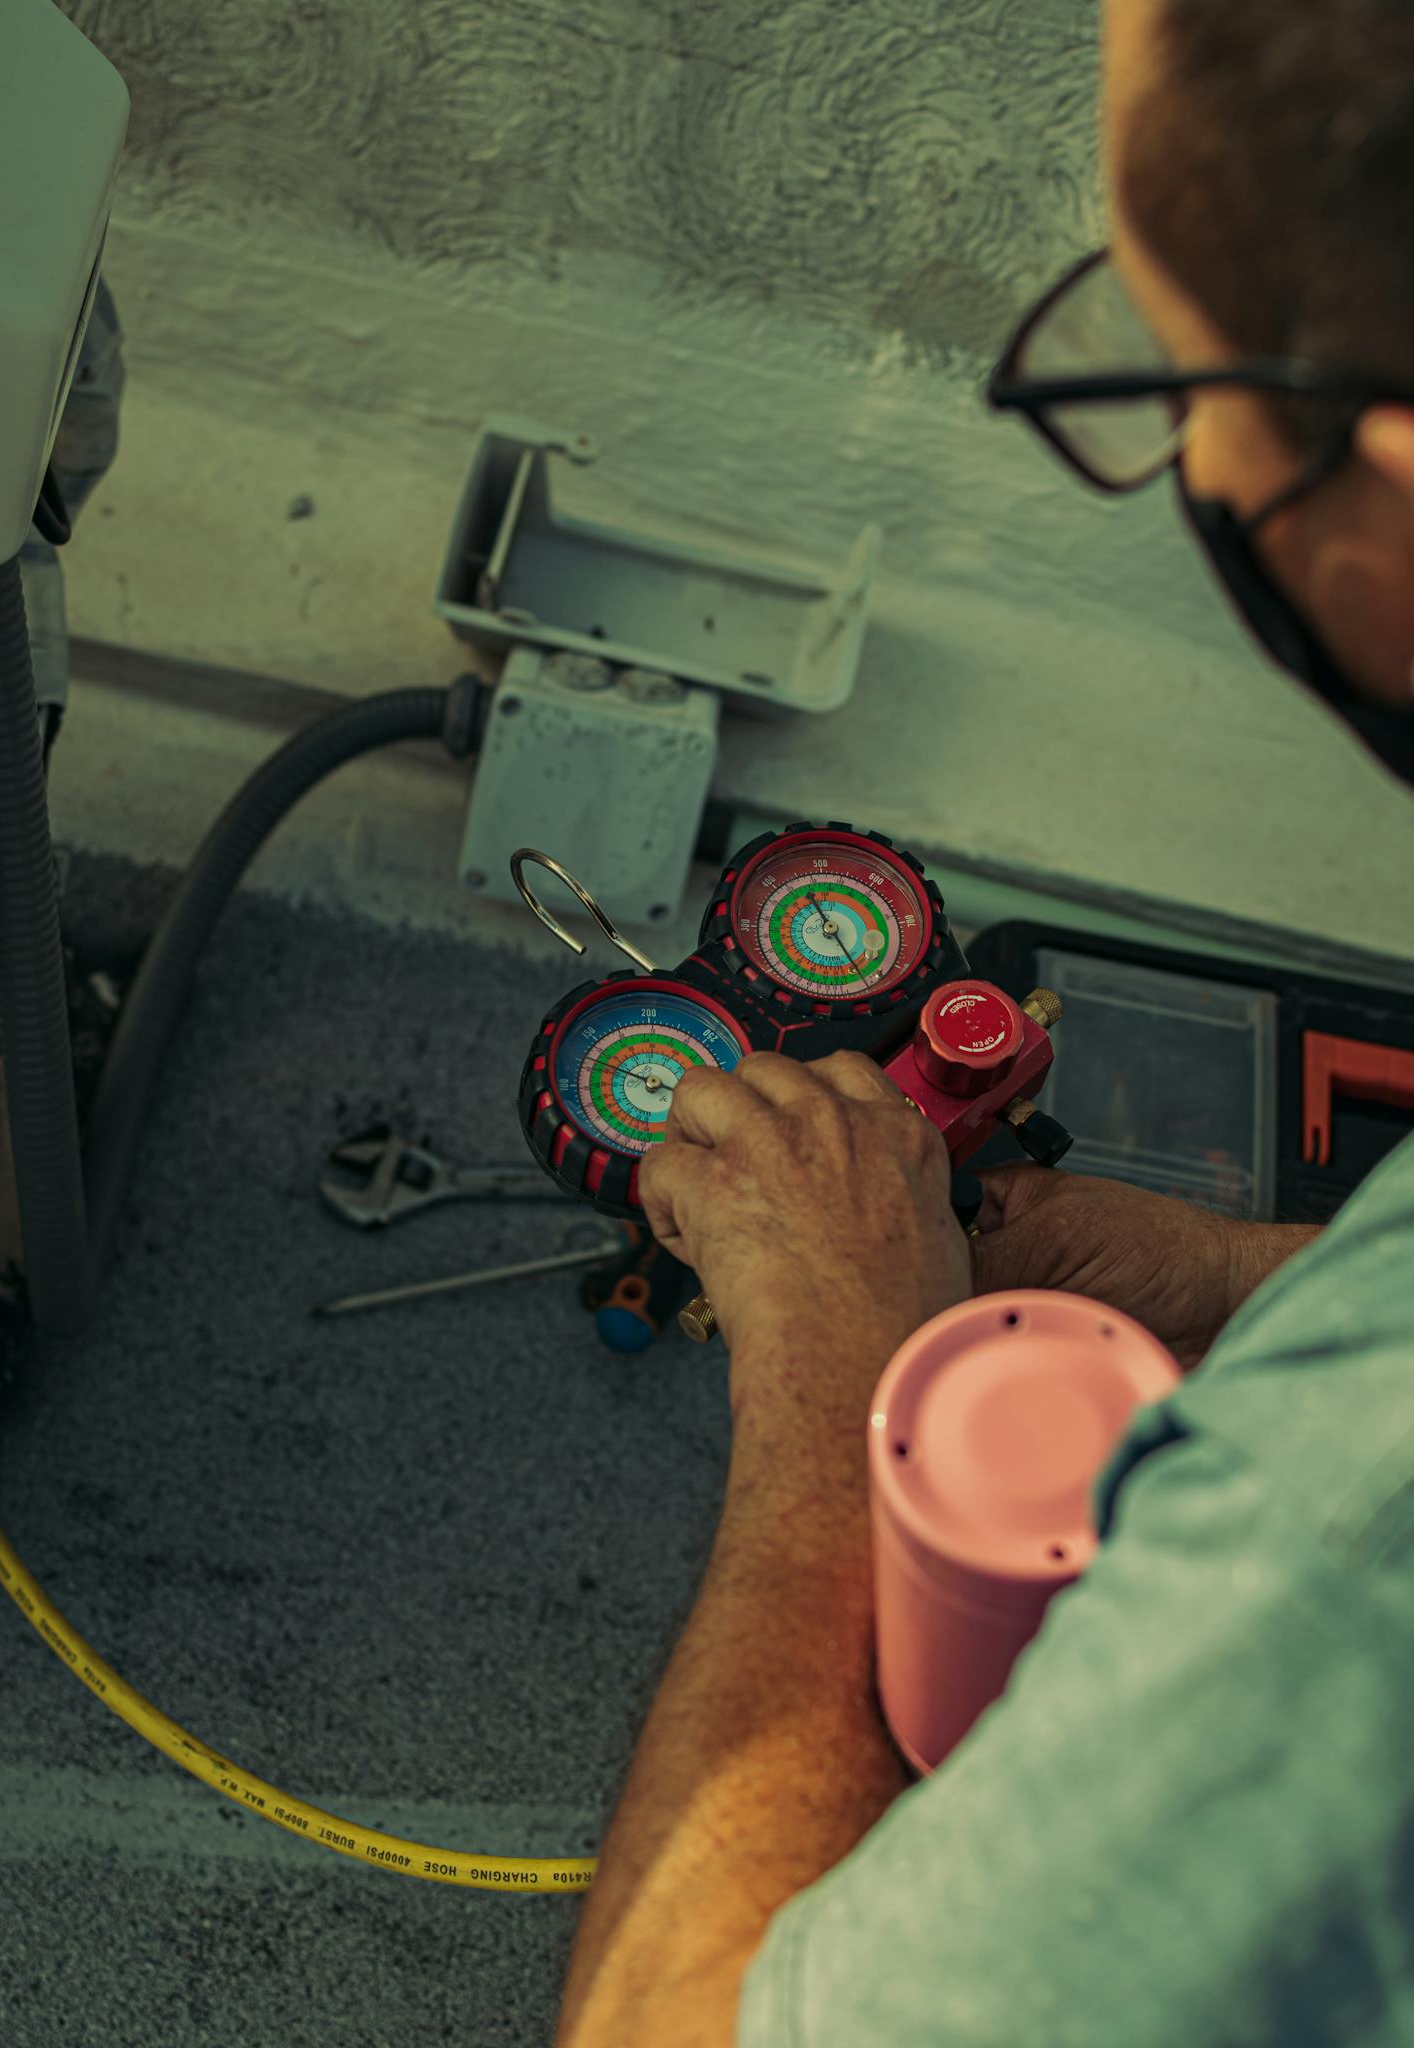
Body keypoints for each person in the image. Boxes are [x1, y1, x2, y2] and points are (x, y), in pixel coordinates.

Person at [553, 2, 1414, 2042]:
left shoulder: (1337, 1540)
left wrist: (829, 1390)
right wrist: (1242, 1279)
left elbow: (670, 2022)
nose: (1187, 464)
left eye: (1166, 368)